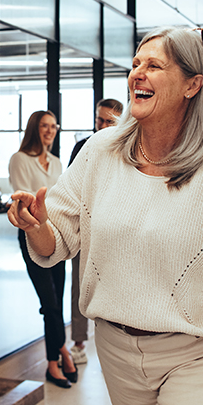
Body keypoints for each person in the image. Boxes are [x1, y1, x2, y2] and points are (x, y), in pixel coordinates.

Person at [8, 26, 203, 405]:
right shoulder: (99, 152)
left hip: (202, 352)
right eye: (136, 63)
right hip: (117, 350)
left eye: (155, 65)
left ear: (193, 85)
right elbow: (56, 241)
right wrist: (36, 224)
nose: (137, 73)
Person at [7, 109, 77, 389]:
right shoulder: (19, 159)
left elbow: (61, 203)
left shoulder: (58, 163)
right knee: (49, 303)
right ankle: (57, 358)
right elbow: (25, 203)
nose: (50, 131)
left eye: (54, 126)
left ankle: (59, 354)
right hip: (32, 237)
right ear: (34, 128)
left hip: (57, 239)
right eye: (45, 126)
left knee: (56, 302)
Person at [65, 97, 122, 365]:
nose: (101, 126)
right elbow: (70, 188)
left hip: (117, 232)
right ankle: (78, 342)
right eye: (99, 120)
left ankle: (115, 338)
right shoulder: (83, 147)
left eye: (108, 121)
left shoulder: (126, 148)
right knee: (80, 285)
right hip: (86, 228)